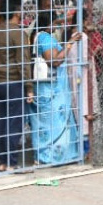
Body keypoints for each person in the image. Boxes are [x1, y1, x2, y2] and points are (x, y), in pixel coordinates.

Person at [26, 16, 83, 165]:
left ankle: (44, 156)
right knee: (54, 123)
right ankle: (53, 157)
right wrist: (70, 43)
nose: (57, 27)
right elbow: (55, 61)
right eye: (55, 23)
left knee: (44, 124)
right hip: (51, 90)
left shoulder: (37, 36)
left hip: (45, 89)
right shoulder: (45, 38)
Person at [0, 0, 29, 172]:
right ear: (16, 11)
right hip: (13, 83)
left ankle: (1, 162)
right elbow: (24, 64)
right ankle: (12, 162)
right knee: (13, 123)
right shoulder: (18, 33)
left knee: (0, 122)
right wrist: (29, 88)